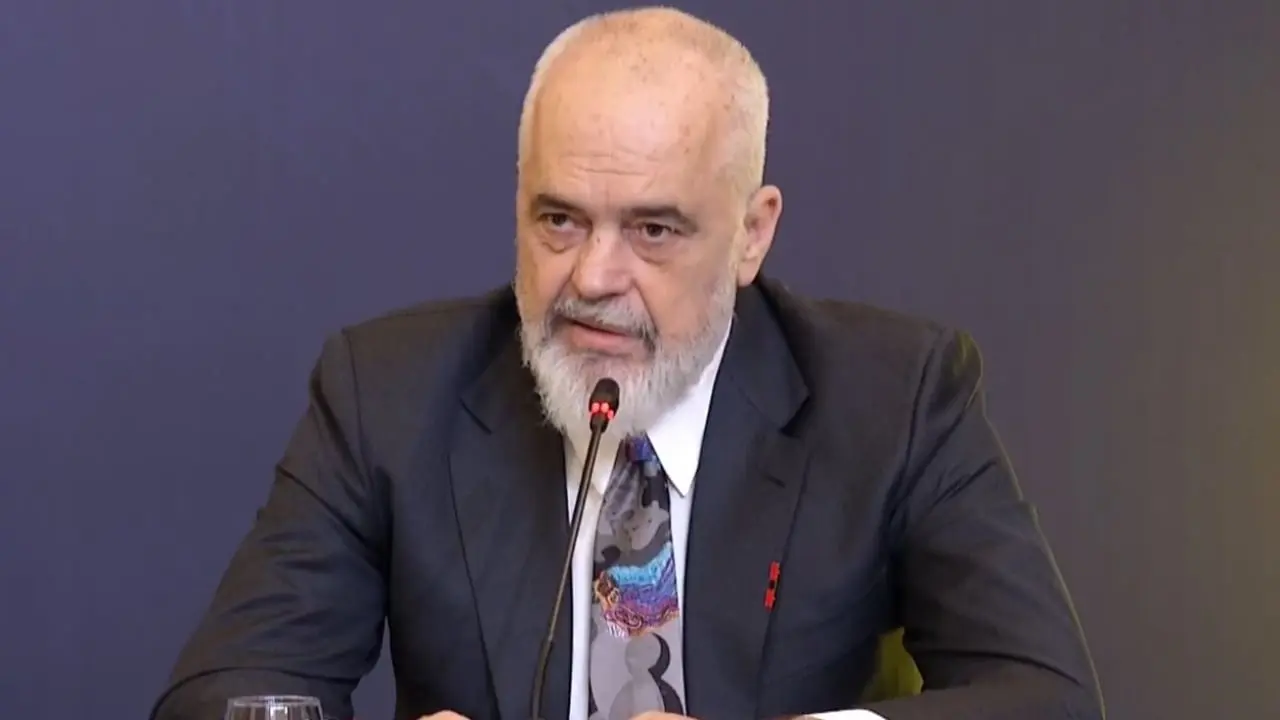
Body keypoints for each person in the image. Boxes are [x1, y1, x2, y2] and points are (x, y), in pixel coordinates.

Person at [151, 6, 1103, 720]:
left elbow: (1045, 697)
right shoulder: (389, 393)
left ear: (751, 234)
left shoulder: (892, 396)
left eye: (653, 230)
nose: (594, 278)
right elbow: (223, 693)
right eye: (559, 220)